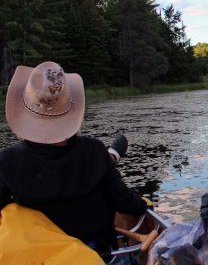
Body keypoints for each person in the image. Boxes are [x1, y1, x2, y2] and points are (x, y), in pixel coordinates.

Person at [0, 61, 147, 253]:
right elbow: (123, 201)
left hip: (39, 260)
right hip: (96, 253)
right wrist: (143, 206)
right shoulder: (94, 151)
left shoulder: (7, 161)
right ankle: (114, 158)